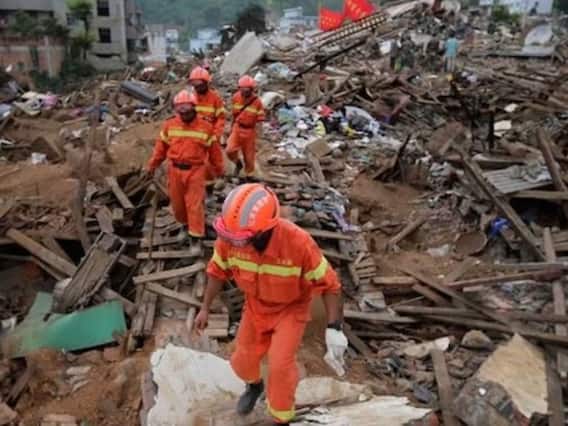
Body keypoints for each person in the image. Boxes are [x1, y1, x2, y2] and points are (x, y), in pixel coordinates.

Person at [194, 183, 348, 425]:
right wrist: (204, 308)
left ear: (264, 231)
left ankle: (281, 417)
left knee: (279, 366)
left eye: (241, 239)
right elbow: (216, 272)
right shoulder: (230, 238)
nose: (234, 244)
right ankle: (254, 386)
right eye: (230, 238)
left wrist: (334, 328)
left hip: (290, 310)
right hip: (255, 307)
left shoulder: (298, 244)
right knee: (242, 360)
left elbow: (330, 285)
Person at [146, 89, 224, 247]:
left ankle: (195, 237)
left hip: (195, 170)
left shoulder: (205, 127)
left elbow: (215, 152)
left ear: (194, 108)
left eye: (187, 110)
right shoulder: (170, 126)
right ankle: (184, 225)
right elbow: (160, 149)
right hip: (174, 170)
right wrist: (152, 165)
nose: (184, 114)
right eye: (180, 111)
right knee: (178, 204)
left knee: (194, 204)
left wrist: (219, 171)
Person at [188, 66, 226, 179]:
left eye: (200, 85)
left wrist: (216, 134)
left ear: (206, 83)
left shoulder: (215, 98)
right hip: (195, 135)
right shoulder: (191, 98)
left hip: (211, 134)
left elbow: (221, 118)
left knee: (216, 160)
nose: (197, 87)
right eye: (195, 85)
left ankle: (219, 177)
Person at [226, 75, 265, 178]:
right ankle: (238, 163)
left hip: (250, 131)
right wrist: (231, 127)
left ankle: (249, 176)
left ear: (252, 90)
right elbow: (234, 114)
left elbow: (260, 120)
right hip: (237, 128)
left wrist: (259, 136)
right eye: (243, 90)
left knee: (249, 157)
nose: (245, 92)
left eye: (248, 90)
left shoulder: (257, 102)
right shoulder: (236, 97)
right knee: (230, 150)